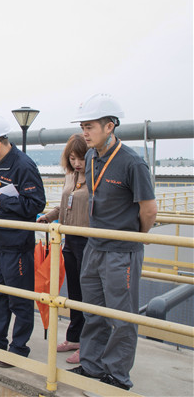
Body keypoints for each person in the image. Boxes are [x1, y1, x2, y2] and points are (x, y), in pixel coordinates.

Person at [68, 93, 157, 390]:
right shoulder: (92, 158)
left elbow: (149, 209)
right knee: (92, 310)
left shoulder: (132, 163)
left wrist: (135, 237)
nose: (85, 133)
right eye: (83, 127)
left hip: (121, 251)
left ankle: (117, 376)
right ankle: (92, 365)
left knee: (121, 316)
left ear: (110, 126)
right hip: (94, 246)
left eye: (90, 127)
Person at [0, 115, 46, 368]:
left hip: (16, 246)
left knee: (19, 298)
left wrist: (3, 200)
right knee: (0, 294)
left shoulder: (23, 165)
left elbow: (36, 204)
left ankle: (18, 347)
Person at [37, 134, 88, 364]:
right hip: (69, 239)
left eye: (81, 159)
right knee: (74, 292)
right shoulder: (70, 176)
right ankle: (74, 337)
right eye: (73, 158)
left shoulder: (95, 178)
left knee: (88, 295)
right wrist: (48, 217)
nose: (77, 163)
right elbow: (64, 205)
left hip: (88, 239)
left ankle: (88, 344)